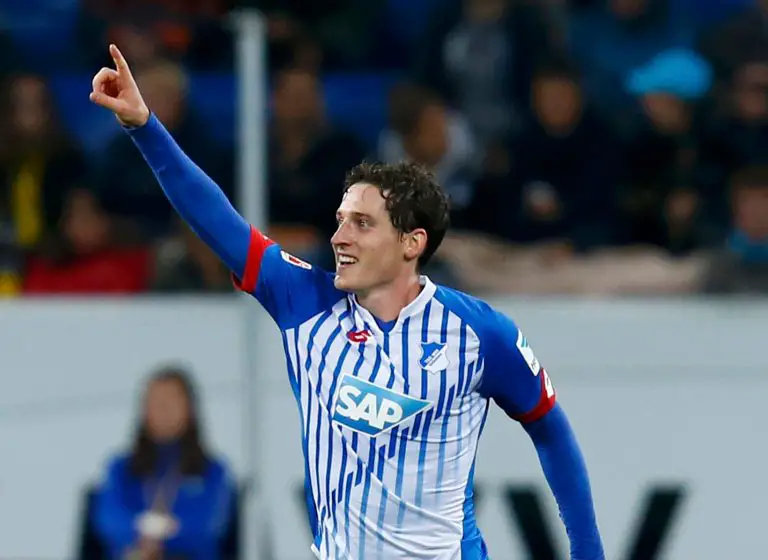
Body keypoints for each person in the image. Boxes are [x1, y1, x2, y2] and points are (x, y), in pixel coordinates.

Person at [90, 44, 604, 559]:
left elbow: (551, 432)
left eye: (362, 224)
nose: (339, 237)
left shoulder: (480, 334)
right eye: (340, 221)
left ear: (411, 242)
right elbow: (214, 216)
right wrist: (144, 126)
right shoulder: (303, 301)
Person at [93, 365, 234, 559]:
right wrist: (145, 537)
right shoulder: (120, 468)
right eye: (155, 401)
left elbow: (207, 526)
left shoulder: (213, 471)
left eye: (171, 401)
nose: (162, 409)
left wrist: (155, 537)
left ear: (189, 408)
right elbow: (109, 520)